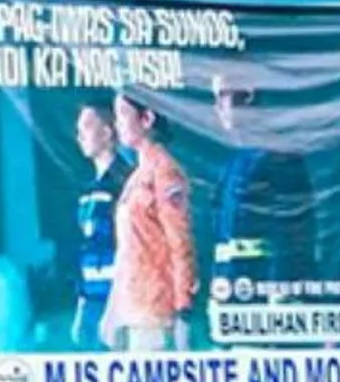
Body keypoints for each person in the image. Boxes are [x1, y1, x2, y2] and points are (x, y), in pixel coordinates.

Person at [209, 65, 317, 301]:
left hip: (266, 292)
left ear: (248, 95)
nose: (217, 107)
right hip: (235, 288)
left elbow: (295, 231)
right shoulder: (234, 162)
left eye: (223, 95)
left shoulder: (279, 155)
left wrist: (282, 291)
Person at [104, 87, 196, 350]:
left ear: (147, 119)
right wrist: (114, 310)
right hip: (131, 306)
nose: (117, 123)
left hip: (155, 309)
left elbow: (180, 241)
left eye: (123, 114)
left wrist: (183, 308)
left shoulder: (165, 172)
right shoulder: (136, 177)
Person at [69, 104, 125, 351]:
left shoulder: (126, 182)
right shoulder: (87, 190)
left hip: (119, 298)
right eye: (78, 128)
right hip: (92, 296)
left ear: (107, 132)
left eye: (88, 126)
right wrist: (82, 299)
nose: (80, 135)